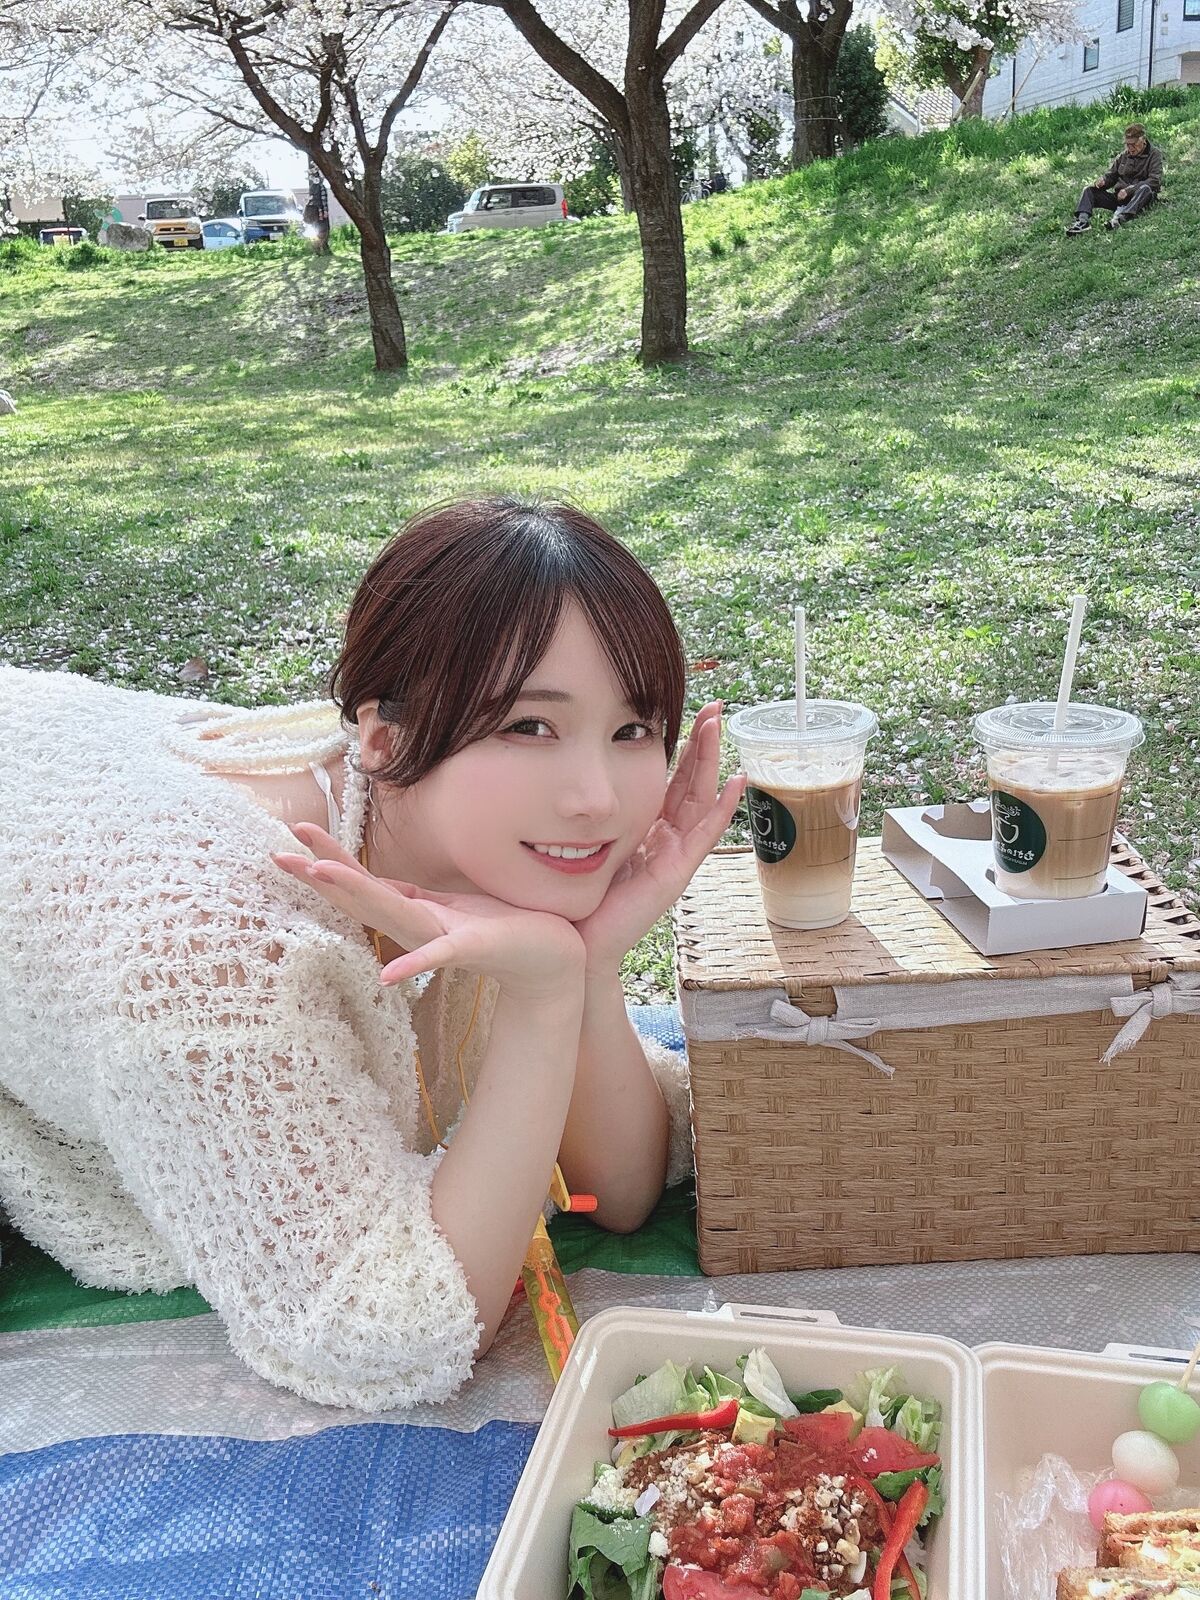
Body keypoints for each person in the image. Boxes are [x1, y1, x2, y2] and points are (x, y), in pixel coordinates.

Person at [0, 498, 746, 1411]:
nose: (596, 798)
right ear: (384, 739)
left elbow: (617, 1193)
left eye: (632, 730)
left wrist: (583, 966)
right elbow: (388, 1337)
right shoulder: (215, 957)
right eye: (529, 727)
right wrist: (542, 998)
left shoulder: (458, 833)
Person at [1066, 122, 1163, 235]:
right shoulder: (1123, 156)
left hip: (1140, 197)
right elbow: (1112, 175)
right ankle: (1082, 222)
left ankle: (1121, 218)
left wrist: (1129, 190)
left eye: (1134, 144)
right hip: (1119, 198)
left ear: (1143, 140)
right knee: (1089, 190)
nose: (1130, 148)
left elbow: (1154, 181)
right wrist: (1103, 181)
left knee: (1145, 188)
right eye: (1128, 144)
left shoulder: (1154, 154)